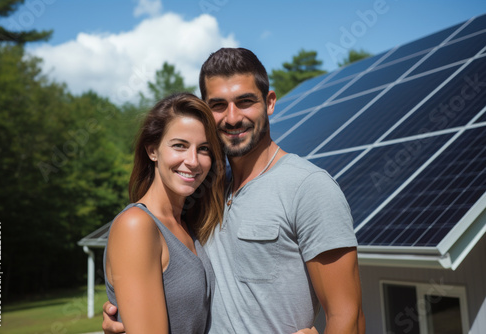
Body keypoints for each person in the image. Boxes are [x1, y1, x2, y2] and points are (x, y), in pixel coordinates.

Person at [103, 48, 365, 334]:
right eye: (218, 105)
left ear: (270, 102)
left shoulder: (309, 187)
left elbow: (347, 316)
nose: (232, 117)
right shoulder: (203, 193)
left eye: (245, 102)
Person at [103, 92, 226, 334]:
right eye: (179, 145)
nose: (192, 161)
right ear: (152, 151)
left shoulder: (187, 225)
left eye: (203, 149)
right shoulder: (136, 225)